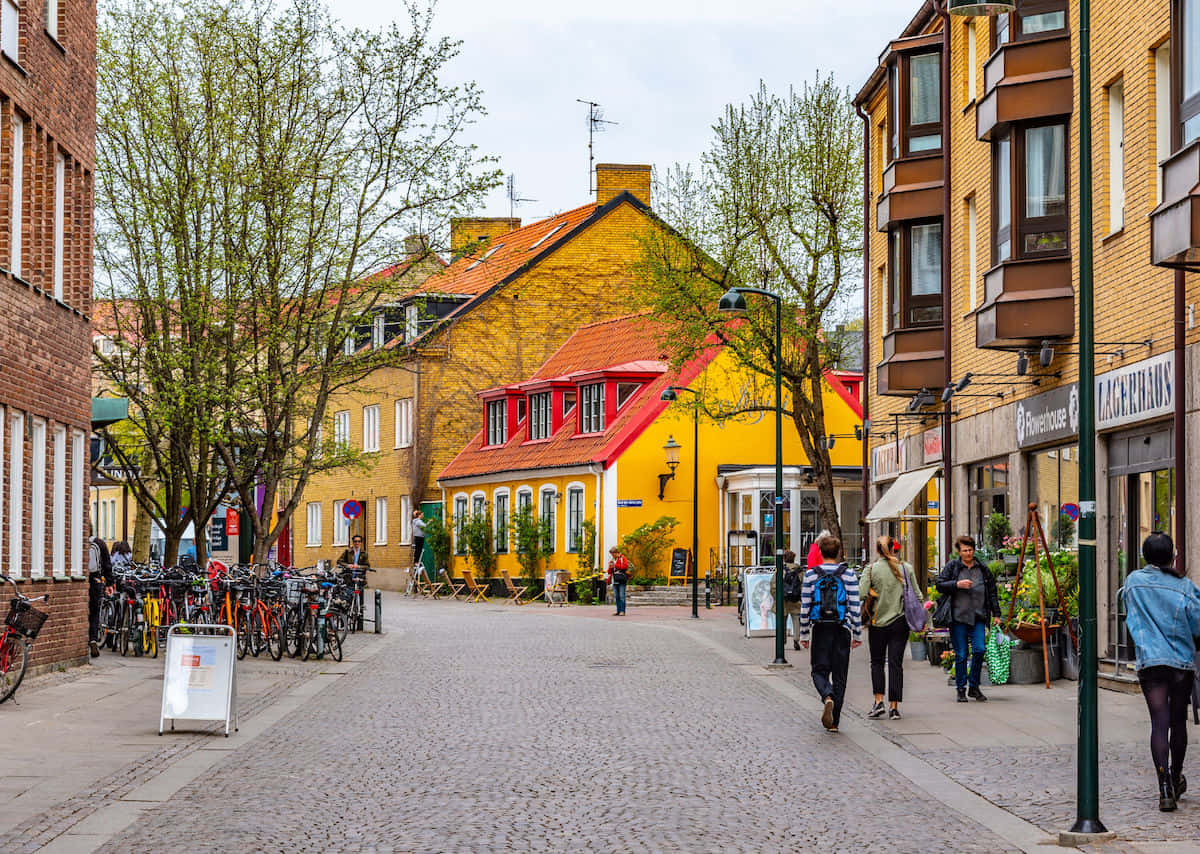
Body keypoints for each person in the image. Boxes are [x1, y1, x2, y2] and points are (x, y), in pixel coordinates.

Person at [1120, 531, 1200, 812]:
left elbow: (1128, 611)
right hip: (1180, 663)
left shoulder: (1133, 582)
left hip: (1151, 662)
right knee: (1179, 723)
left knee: (1159, 723)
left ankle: (1164, 785)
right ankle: (1176, 777)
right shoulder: (1186, 587)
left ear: (1145, 556)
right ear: (1172, 555)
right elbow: (1197, 625)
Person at [798, 534, 862, 732]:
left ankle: (827, 695)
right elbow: (855, 605)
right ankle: (834, 722)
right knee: (840, 675)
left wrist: (804, 633)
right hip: (842, 628)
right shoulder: (848, 574)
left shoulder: (811, 575)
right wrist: (857, 634)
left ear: (821, 552)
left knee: (819, 670)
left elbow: (805, 606)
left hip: (820, 628)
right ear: (839, 552)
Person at [860, 536, 923, 720]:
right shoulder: (907, 568)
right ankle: (894, 707)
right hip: (900, 621)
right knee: (896, 663)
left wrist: (874, 592)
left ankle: (878, 701)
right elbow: (918, 595)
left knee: (877, 662)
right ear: (894, 549)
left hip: (878, 622)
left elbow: (861, 593)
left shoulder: (871, 570)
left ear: (878, 551)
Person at [935, 535, 1001, 703]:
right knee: (962, 654)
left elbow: (992, 591)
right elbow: (939, 584)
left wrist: (997, 614)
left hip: (978, 616)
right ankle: (960, 689)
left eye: (970, 550)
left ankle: (974, 686)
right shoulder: (953, 566)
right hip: (958, 617)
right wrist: (956, 584)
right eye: (964, 550)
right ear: (959, 551)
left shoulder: (982, 568)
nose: (968, 553)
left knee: (979, 650)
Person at [87, 536, 113, 658]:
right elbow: (107, 565)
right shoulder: (99, 543)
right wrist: (109, 583)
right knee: (94, 611)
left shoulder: (79, 539)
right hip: (95, 580)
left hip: (84, 579)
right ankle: (93, 639)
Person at [781, 550, 806, 651]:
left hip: (784, 599)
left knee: (782, 620)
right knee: (796, 620)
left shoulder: (781, 569)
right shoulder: (799, 570)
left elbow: (773, 584)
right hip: (796, 599)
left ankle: (782, 641)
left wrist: (776, 597)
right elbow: (803, 584)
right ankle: (796, 639)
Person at [607, 546, 629, 616]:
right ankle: (618, 610)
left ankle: (622, 611)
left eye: (613, 554)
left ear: (616, 553)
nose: (612, 555)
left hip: (621, 579)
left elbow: (625, 567)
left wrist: (615, 566)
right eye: (611, 554)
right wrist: (610, 568)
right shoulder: (612, 560)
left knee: (622, 595)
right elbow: (609, 572)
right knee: (617, 596)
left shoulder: (623, 558)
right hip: (614, 579)